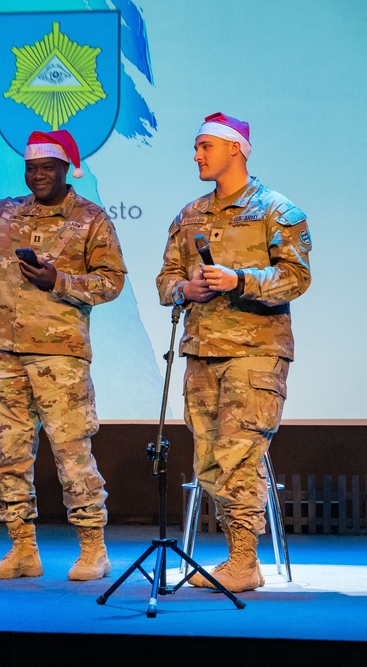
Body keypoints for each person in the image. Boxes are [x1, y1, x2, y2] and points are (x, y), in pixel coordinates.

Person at [0, 130, 125, 581]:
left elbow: (111, 281)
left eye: (46, 168)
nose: (37, 176)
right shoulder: (7, 211)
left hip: (60, 356)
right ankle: (22, 549)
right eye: (31, 168)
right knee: (11, 455)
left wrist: (58, 281)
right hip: (5, 351)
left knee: (72, 453)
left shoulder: (91, 218)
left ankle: (93, 549)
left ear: (66, 169)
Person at [156, 112, 311, 592]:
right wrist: (186, 287)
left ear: (236, 148)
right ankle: (235, 556)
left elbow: (296, 276)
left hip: (255, 351)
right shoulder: (189, 215)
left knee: (237, 454)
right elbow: (165, 280)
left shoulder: (275, 210)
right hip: (202, 352)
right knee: (207, 456)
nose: (197, 154)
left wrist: (240, 280)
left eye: (205, 146)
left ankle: (244, 559)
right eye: (197, 147)